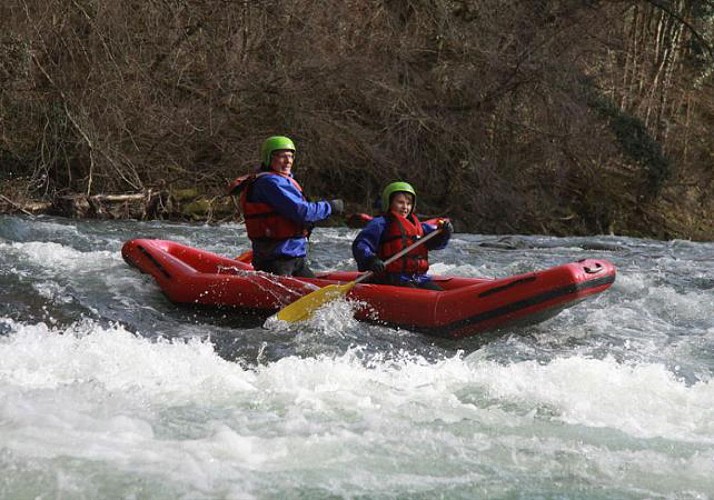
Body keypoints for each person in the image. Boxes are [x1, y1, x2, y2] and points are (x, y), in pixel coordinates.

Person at [228, 135, 344, 277]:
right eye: (281, 156)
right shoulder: (270, 183)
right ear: (269, 158)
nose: (288, 161)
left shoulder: (281, 180)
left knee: (318, 294)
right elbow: (302, 211)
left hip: (294, 257)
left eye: (290, 156)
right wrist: (330, 207)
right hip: (276, 260)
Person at [352, 181, 453, 290]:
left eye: (409, 204)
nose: (405, 207)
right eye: (400, 202)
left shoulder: (420, 227)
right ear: (389, 203)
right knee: (413, 292)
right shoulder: (380, 224)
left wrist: (444, 234)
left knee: (438, 291)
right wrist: (371, 260)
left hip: (417, 278)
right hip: (390, 277)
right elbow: (361, 244)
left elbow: (435, 244)